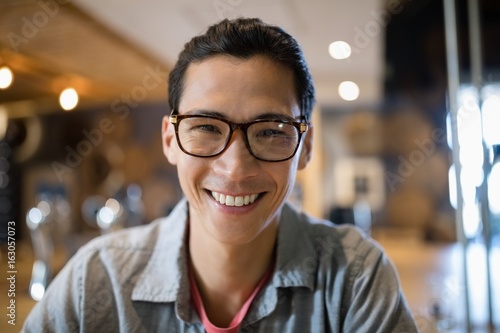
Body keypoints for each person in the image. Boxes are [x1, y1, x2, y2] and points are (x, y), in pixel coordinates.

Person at [23, 18, 418, 332]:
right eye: (207, 128)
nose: (235, 168)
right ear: (170, 140)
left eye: (270, 132)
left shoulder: (354, 278)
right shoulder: (96, 281)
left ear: (306, 147)